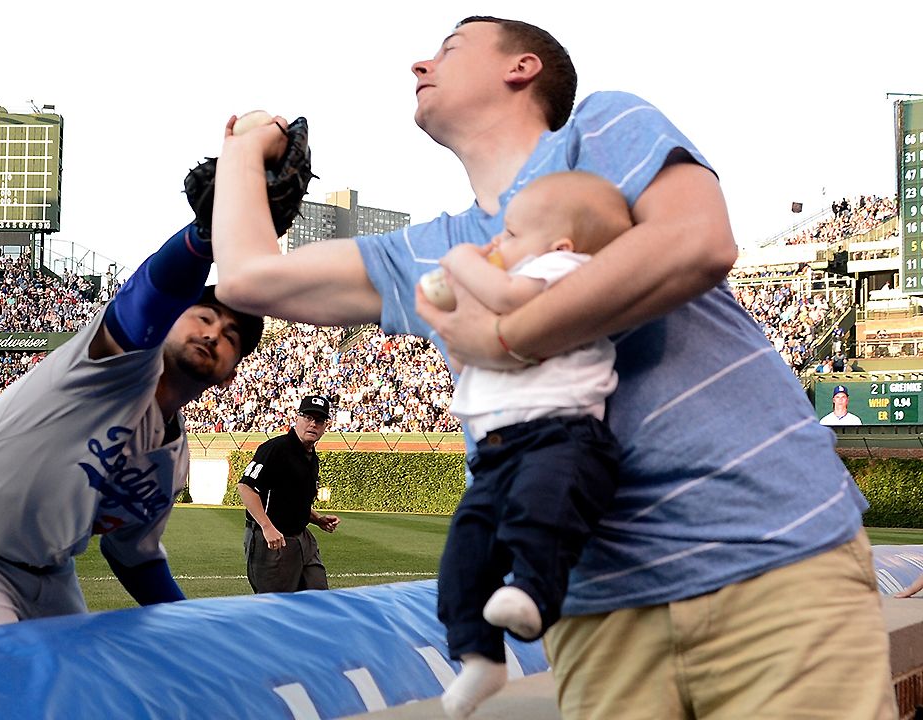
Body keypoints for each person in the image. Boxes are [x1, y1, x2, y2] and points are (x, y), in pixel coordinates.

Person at [209, 16, 894, 720]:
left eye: (449, 47)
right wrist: (246, 146)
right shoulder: (431, 250)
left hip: (769, 556)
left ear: (523, 68)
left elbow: (697, 241)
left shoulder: (598, 130)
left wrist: (505, 333)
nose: (419, 64)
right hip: (595, 609)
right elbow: (249, 277)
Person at [0, 221, 264, 633]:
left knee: (80, 689)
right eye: (205, 317)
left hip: (50, 573)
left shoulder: (172, 465)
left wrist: (193, 622)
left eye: (230, 336)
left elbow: (134, 555)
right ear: (171, 321)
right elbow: (150, 295)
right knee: (6, 683)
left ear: (231, 375)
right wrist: (204, 235)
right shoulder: (112, 368)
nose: (213, 334)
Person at [426, 171, 631, 718]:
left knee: (541, 516)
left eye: (511, 234)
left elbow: (505, 293)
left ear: (559, 246)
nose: (497, 243)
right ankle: (479, 657)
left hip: (560, 436)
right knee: (464, 556)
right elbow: (470, 355)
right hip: (496, 450)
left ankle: (536, 595)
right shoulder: (520, 281)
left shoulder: (566, 270)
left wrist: (464, 261)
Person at [237, 394, 341, 593]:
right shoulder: (275, 449)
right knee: (276, 606)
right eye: (308, 418)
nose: (313, 424)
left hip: (302, 539)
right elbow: (246, 487)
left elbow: (292, 499)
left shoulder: (311, 457)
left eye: (319, 420)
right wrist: (267, 527)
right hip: (273, 540)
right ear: (297, 418)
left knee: (319, 598)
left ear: (325, 426)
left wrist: (317, 519)